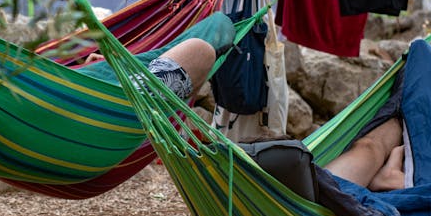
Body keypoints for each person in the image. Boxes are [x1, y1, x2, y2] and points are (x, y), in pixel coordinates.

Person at [151, 36, 406, 192]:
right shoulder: (315, 189)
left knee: (372, 144)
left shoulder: (306, 186)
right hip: (318, 190)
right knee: (373, 143)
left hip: (313, 188)